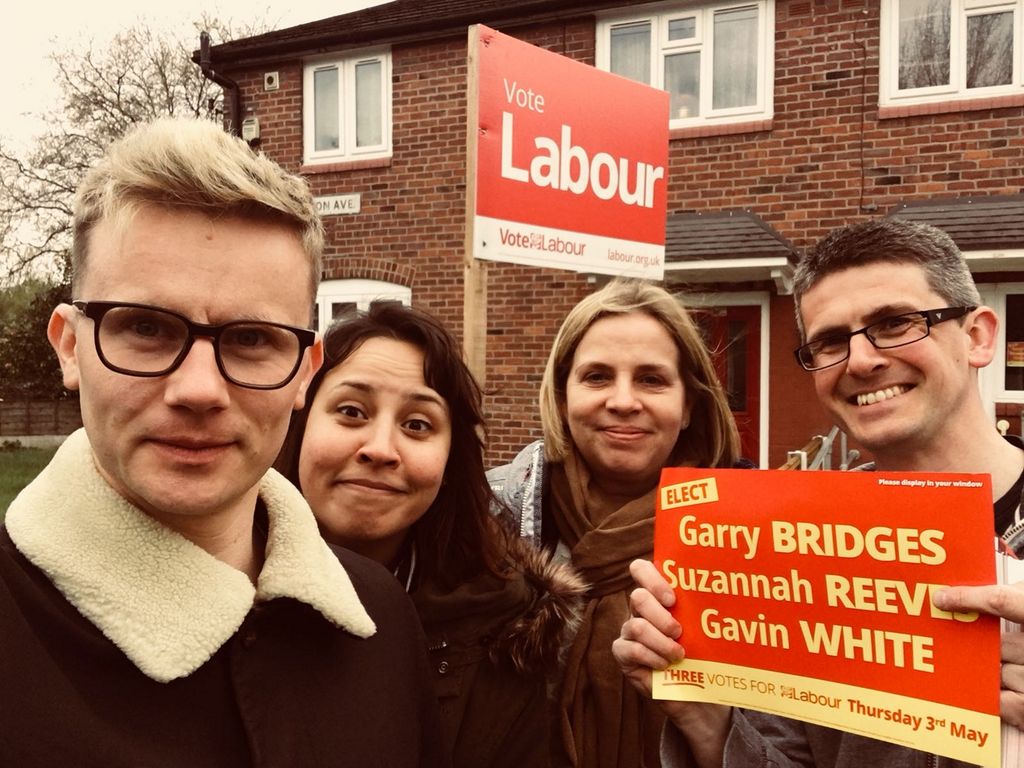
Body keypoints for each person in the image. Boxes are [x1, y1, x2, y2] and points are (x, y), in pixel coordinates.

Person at [0, 117, 446, 767]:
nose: (199, 389)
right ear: (71, 347)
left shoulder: (380, 619)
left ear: (304, 371)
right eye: (145, 328)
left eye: (252, 339)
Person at [613, 217, 1024, 767]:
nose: (861, 361)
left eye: (897, 322)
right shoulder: (803, 547)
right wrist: (703, 716)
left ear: (977, 336)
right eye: (830, 341)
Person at [275, 302, 586, 768]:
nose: (380, 449)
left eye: (417, 425)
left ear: (449, 462)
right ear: (298, 425)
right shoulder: (212, 587)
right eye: (351, 411)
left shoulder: (504, 635)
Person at [488, 277, 744, 768]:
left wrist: (711, 725)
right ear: (563, 396)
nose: (624, 401)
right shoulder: (490, 520)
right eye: (597, 377)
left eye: (651, 379)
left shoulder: (752, 540)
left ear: (689, 405)